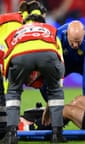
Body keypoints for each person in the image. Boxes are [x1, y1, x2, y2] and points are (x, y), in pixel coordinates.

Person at [0, 1, 66, 143]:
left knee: (13, 92)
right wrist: (58, 81)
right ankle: (57, 134)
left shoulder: (16, 31)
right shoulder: (51, 29)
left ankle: (11, 134)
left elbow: (7, 55)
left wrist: (9, 82)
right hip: (48, 54)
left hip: (20, 55)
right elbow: (59, 56)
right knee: (55, 91)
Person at [40, 20, 85, 103]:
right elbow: (51, 63)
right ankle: (55, 108)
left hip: (83, 62)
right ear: (67, 34)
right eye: (73, 41)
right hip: (66, 62)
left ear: (84, 35)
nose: (75, 45)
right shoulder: (57, 38)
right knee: (44, 81)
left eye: (78, 41)